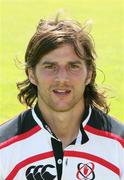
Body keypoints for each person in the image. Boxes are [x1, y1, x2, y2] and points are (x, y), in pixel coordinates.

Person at [0, 16, 124, 180]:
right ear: (31, 74)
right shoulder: (4, 148)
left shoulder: (119, 146)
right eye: (50, 67)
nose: (62, 78)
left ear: (89, 74)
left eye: (73, 66)